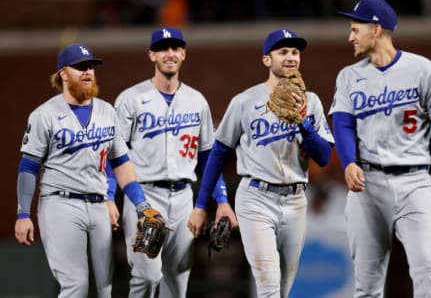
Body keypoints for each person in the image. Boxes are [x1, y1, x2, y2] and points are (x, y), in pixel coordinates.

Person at [329, 0, 431, 297]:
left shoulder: (424, 70)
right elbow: (343, 123)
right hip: (367, 184)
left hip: (414, 181)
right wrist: (349, 161)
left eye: (355, 29)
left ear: (376, 29)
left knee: (427, 268)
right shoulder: (349, 76)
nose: (350, 37)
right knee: (366, 284)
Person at [188, 29, 334, 298]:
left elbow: (323, 157)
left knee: (283, 289)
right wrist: (201, 205)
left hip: (295, 199)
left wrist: (302, 122)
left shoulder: (310, 101)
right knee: (268, 285)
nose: (290, 57)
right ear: (267, 60)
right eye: (282, 52)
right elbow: (219, 152)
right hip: (256, 198)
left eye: (294, 52)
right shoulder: (245, 101)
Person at [14, 43, 156, 298]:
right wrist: (23, 214)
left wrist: (141, 205)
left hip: (99, 205)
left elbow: (121, 162)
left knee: (105, 289)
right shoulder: (44, 115)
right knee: (76, 286)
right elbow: (28, 166)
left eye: (90, 66)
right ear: (63, 73)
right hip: (61, 204)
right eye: (80, 67)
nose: (87, 71)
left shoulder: (107, 111)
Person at [114, 27, 234, 298]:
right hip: (144, 197)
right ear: (152, 55)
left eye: (175, 48)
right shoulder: (130, 99)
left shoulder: (196, 100)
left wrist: (222, 201)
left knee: (178, 283)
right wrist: (111, 197)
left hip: (183, 199)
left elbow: (208, 157)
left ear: (183, 54)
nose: (170, 53)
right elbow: (115, 156)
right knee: (147, 275)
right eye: (163, 48)